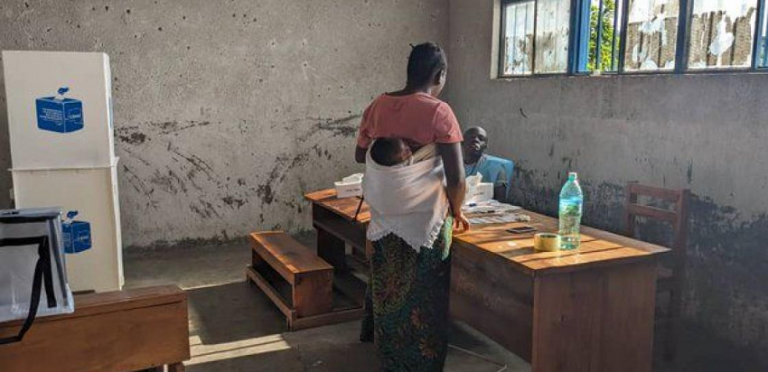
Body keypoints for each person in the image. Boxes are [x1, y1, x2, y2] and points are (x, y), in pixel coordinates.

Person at [354, 42, 469, 371]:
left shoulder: (378, 106)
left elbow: (361, 156)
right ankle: (422, 362)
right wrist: (457, 210)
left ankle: (389, 356)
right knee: (426, 292)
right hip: (426, 222)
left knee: (388, 286)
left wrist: (391, 153)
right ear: (440, 75)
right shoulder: (439, 111)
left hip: (384, 217)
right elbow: (457, 178)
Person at [462, 127, 514, 202]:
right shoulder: (449, 167)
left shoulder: (496, 168)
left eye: (481, 138)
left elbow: (500, 202)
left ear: (486, 145)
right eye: (471, 137)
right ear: (462, 143)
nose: (476, 140)